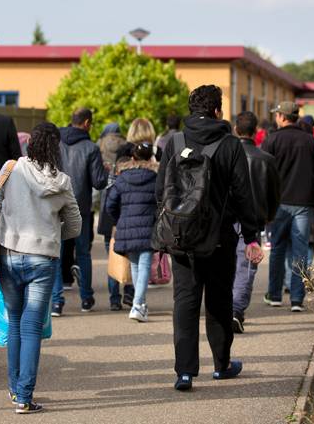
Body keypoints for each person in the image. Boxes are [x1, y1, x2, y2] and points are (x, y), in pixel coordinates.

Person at [156, 85, 260, 391]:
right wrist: (251, 236)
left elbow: (159, 190)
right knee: (218, 302)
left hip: (181, 239)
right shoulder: (230, 145)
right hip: (219, 239)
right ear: (218, 110)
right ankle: (221, 365)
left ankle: (185, 373)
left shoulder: (174, 142)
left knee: (184, 303)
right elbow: (243, 194)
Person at [0, 123, 81, 414]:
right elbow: (76, 225)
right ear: (56, 148)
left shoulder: (10, 169)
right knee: (31, 327)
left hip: (9, 254)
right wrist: (52, 235)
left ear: (30, 143)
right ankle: (24, 398)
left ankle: (14, 387)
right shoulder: (63, 182)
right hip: (43, 260)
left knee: (14, 322)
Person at [261, 102, 314, 312]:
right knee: (300, 250)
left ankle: (274, 295)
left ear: (282, 117)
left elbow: (262, 172)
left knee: (277, 249)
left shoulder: (271, 140)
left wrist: (264, 203)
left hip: (279, 203)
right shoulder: (310, 141)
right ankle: (297, 299)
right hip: (303, 203)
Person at [52, 108, 107, 315]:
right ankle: (86, 298)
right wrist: (106, 171)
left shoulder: (57, 144)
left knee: (57, 254)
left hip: (57, 206)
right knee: (83, 253)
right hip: (81, 208)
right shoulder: (91, 148)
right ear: (86, 123)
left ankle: (57, 301)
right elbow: (99, 181)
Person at [231, 112, 281, 334]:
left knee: (226, 266)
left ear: (235, 129)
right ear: (255, 131)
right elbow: (274, 194)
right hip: (254, 219)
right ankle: (236, 310)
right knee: (246, 266)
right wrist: (269, 216)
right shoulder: (266, 160)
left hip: (227, 217)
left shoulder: (226, 155)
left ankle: (226, 308)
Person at [104, 142, 158, 322]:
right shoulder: (155, 177)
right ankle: (138, 304)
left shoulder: (123, 177)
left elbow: (110, 204)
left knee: (135, 265)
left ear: (133, 157)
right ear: (151, 157)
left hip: (126, 225)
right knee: (143, 266)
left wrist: (120, 218)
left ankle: (139, 303)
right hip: (148, 227)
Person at [96, 123, 134, 311]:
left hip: (108, 220)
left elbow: (107, 197)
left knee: (112, 258)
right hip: (128, 220)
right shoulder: (133, 172)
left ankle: (114, 299)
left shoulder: (100, 146)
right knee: (131, 257)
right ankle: (129, 291)